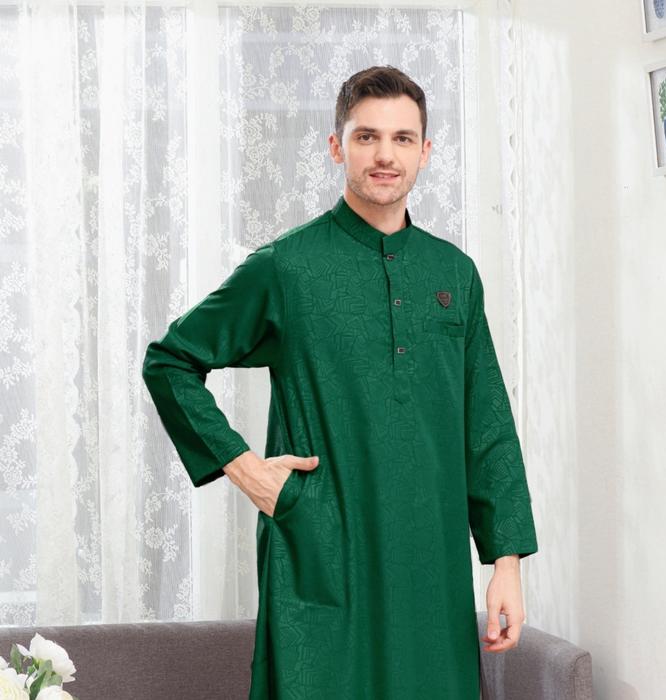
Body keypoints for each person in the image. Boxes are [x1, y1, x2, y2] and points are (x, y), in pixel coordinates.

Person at [142, 64, 538, 699]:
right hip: (322, 552)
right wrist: (246, 469)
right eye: (366, 136)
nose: (385, 155)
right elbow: (170, 361)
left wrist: (506, 563)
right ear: (336, 146)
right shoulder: (286, 268)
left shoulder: (454, 274)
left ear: (425, 151)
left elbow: (486, 424)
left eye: (402, 138)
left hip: (431, 567)